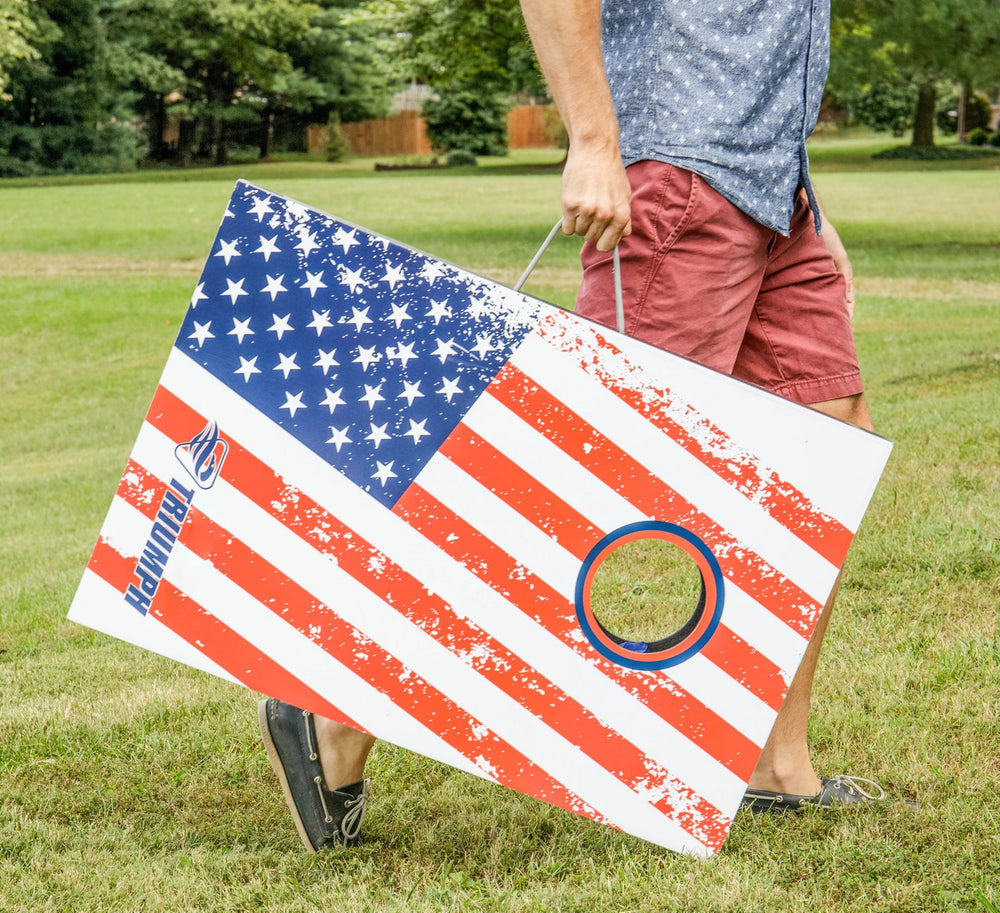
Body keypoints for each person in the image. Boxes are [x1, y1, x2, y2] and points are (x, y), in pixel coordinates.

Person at [258, 0, 887, 851]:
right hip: (677, 180)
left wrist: (799, 191)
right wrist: (595, 140)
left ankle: (775, 765)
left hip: (771, 193)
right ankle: (335, 706)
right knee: (579, 481)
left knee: (824, 441)